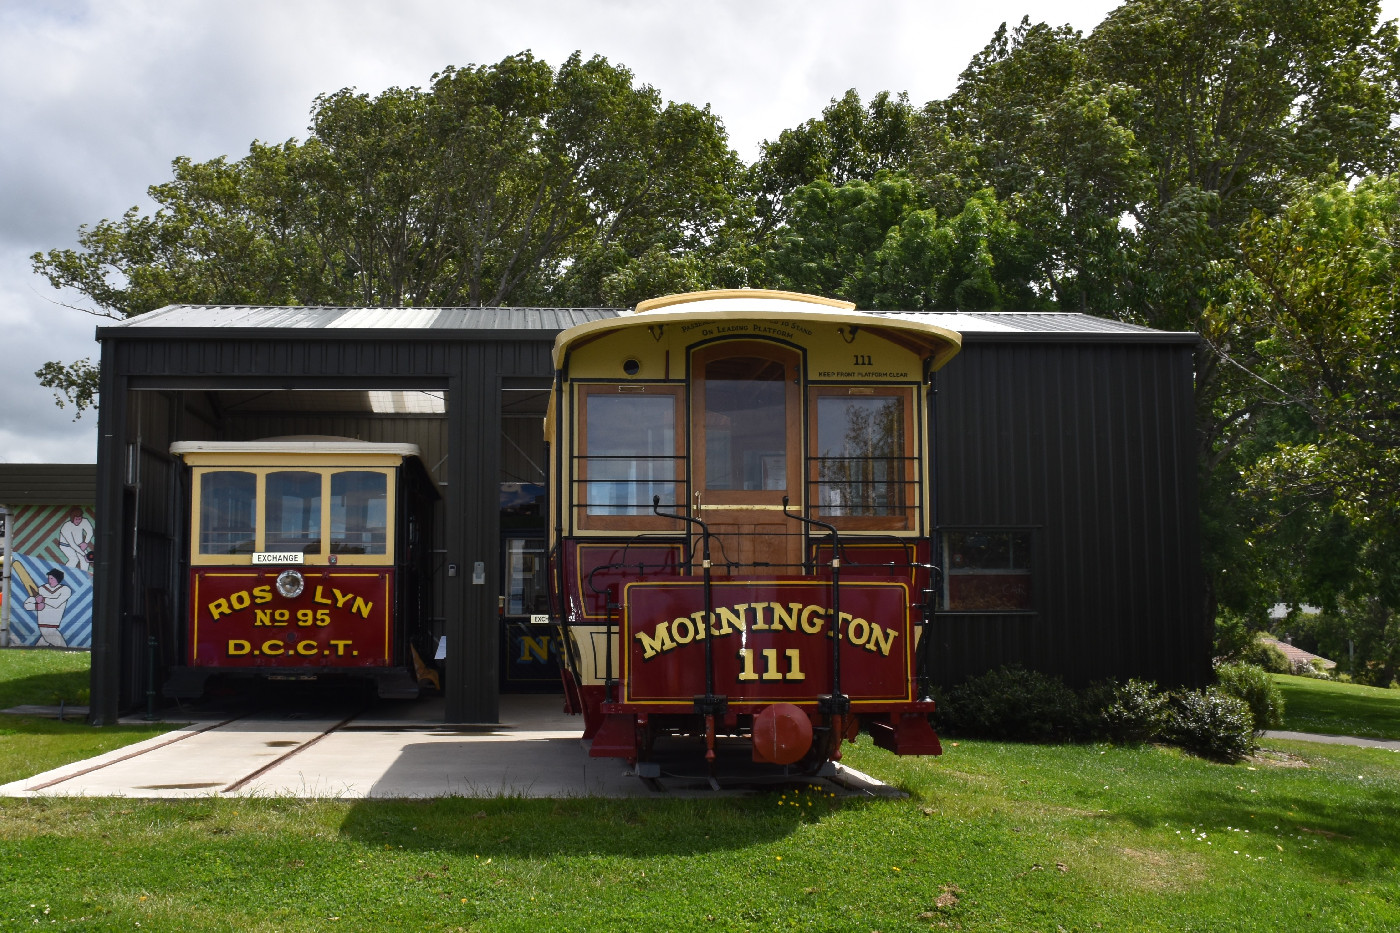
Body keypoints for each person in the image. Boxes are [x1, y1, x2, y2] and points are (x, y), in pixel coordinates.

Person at [24, 568, 71, 647]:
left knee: (42, 644)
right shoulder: (41, 589)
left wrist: (43, 599)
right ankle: (67, 653)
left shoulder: (65, 590)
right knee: (62, 646)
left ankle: (36, 653)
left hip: (53, 623)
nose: (50, 581)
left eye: (52, 578)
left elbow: (56, 603)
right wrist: (36, 606)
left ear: (58, 579)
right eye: (49, 578)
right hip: (43, 623)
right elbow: (26, 604)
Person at [58, 508, 94, 572]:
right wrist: (84, 554)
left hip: (79, 545)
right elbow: (72, 544)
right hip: (66, 545)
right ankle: (65, 575)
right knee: (74, 559)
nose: (78, 521)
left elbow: (90, 532)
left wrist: (85, 542)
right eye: (76, 519)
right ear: (72, 518)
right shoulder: (66, 526)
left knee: (85, 560)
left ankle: (84, 576)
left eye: (79, 519)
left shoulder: (85, 521)